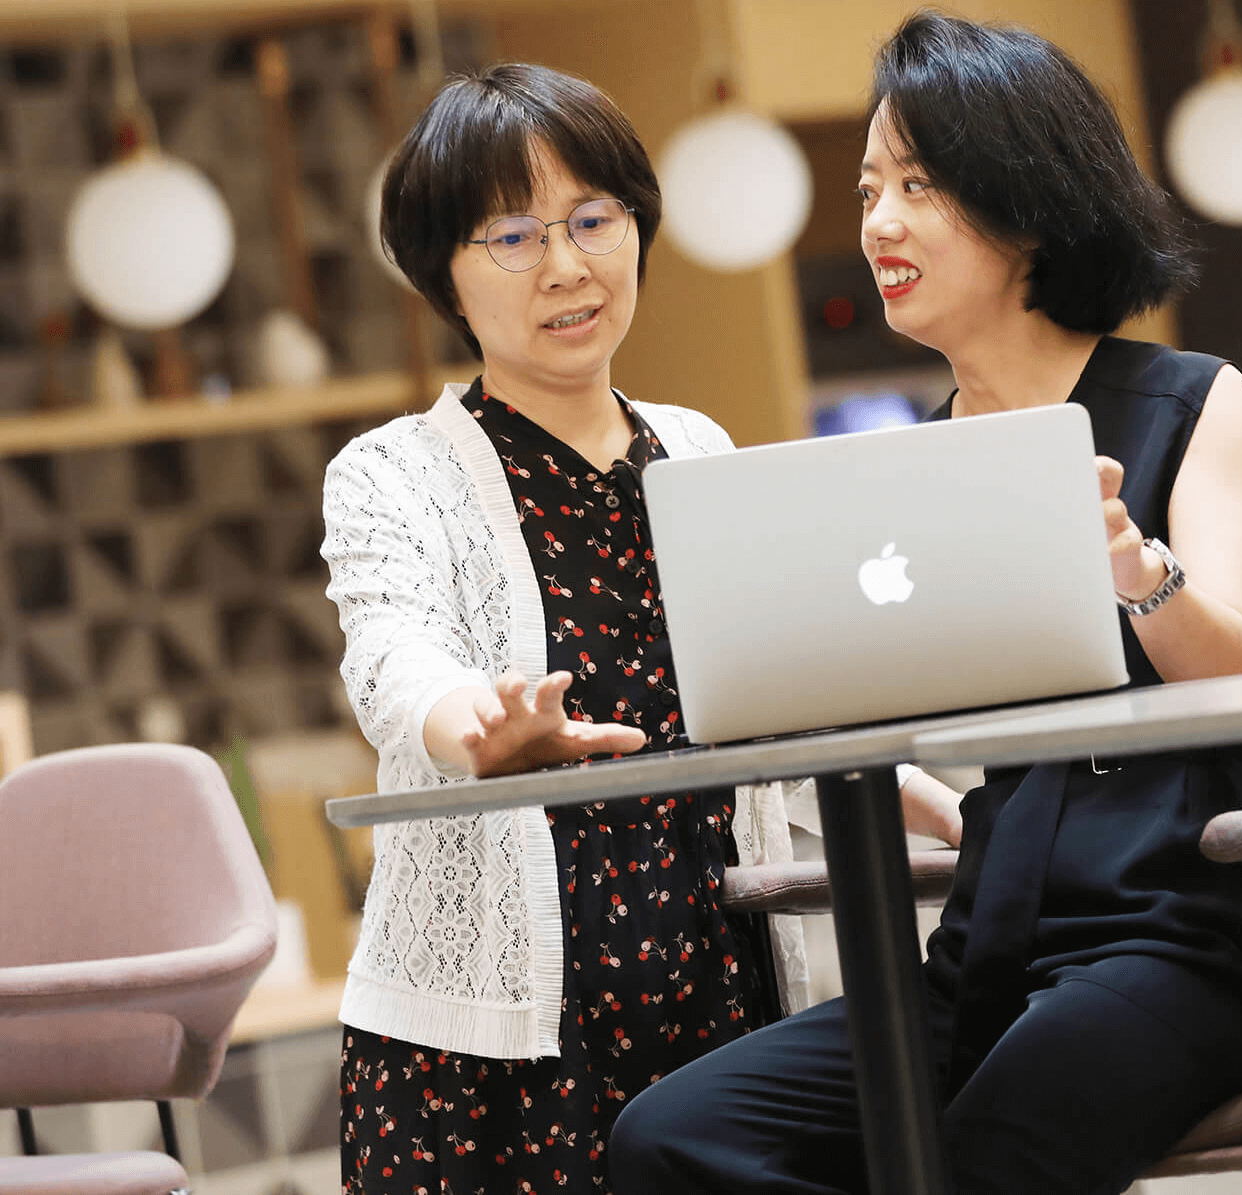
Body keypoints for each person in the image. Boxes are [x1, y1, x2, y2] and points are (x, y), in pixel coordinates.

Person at [608, 13, 1242, 1195]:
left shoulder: (1192, 399)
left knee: (981, 1148)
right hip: (994, 941)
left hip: (1196, 934)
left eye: (918, 186)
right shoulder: (918, 460)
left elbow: (1234, 674)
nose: (876, 223)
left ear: (1025, 200)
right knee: (672, 1134)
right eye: (868, 190)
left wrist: (1132, 563)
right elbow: (896, 722)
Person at [320, 63, 962, 1195]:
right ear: (442, 272)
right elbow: (391, 654)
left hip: (716, 992)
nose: (566, 267)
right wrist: (481, 730)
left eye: (592, 220)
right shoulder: (390, 473)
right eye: (512, 237)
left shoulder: (698, 448)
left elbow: (775, 699)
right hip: (493, 1040)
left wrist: (939, 805)